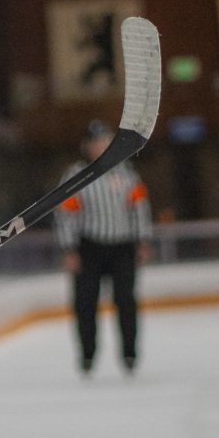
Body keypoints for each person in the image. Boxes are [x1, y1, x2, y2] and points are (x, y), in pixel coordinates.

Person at [54, 120, 153, 375]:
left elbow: (139, 208)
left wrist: (142, 240)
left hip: (122, 247)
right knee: (85, 304)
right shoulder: (76, 175)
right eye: (98, 141)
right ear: (86, 146)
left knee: (126, 301)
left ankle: (129, 353)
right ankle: (88, 354)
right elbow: (66, 215)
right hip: (89, 248)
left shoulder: (127, 173)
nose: (103, 146)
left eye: (107, 141)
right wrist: (69, 249)